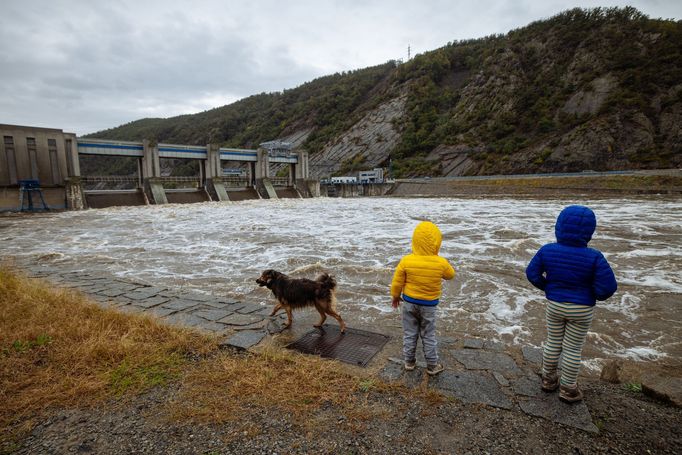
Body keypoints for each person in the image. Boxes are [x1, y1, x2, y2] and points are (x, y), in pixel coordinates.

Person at [526, 205, 617, 403]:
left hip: (555, 305)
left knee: (553, 342)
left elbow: (532, 273)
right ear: (589, 232)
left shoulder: (547, 250)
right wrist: (593, 295)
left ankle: (548, 380)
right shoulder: (595, 257)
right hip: (582, 309)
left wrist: (548, 288)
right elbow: (608, 288)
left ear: (558, 227)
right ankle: (568, 388)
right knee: (573, 348)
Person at [391, 220, 455, 376]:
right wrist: (438, 260)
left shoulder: (406, 260)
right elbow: (451, 275)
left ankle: (409, 362)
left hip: (409, 303)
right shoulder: (441, 262)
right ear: (437, 242)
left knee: (409, 333)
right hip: (429, 306)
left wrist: (395, 296)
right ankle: (432, 365)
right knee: (428, 335)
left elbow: (397, 281)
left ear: (415, 241)